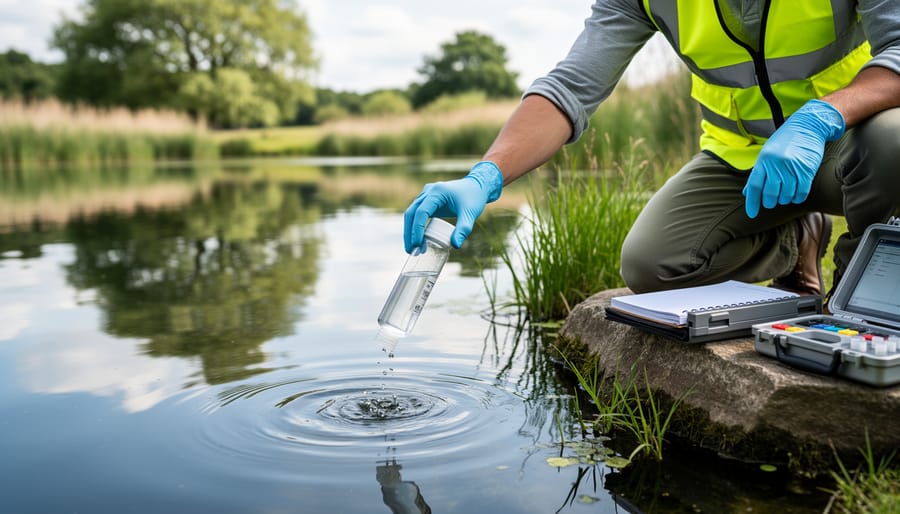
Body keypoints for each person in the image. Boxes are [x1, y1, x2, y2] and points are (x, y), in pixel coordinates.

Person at [403, 0, 900, 303]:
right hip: (740, 160)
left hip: (847, 144)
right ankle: (795, 237)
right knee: (652, 267)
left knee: (894, 139)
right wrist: (484, 177)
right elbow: (571, 87)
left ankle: (855, 299)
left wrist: (821, 116)